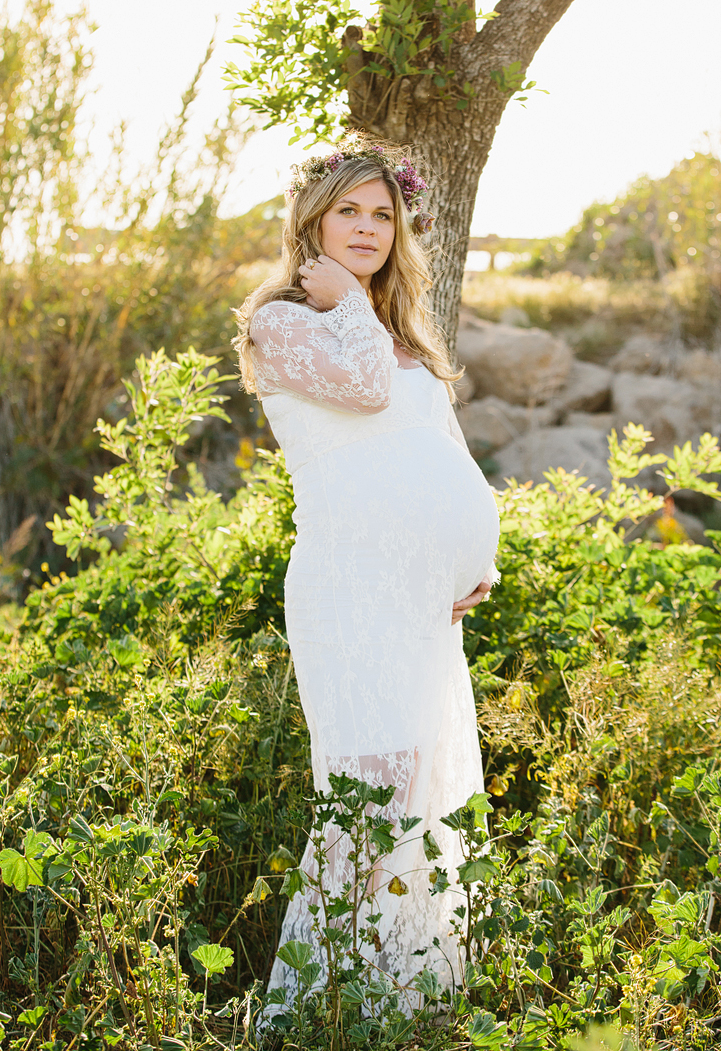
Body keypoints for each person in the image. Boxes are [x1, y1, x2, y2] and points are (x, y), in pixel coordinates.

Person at [232, 133, 498, 1016]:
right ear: (312, 220)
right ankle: (316, 1009)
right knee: (365, 789)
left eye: (382, 215)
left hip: (422, 606)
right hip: (348, 591)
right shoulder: (283, 322)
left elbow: (440, 445)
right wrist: (346, 300)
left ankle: (401, 1001)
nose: (367, 228)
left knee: (418, 790)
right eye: (348, 210)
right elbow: (364, 392)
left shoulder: (399, 334)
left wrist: (476, 556)